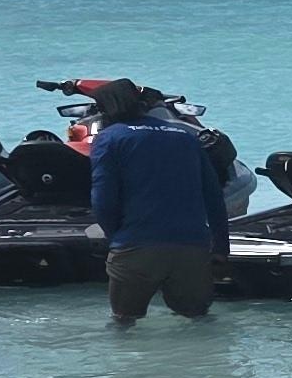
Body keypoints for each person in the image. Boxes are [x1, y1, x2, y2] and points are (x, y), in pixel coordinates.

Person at [88, 83, 230, 325]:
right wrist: (221, 248)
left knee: (124, 324)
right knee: (199, 322)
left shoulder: (109, 139)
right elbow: (214, 196)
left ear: (104, 110)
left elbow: (102, 199)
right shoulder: (186, 136)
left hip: (135, 246)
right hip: (192, 247)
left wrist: (117, 238)